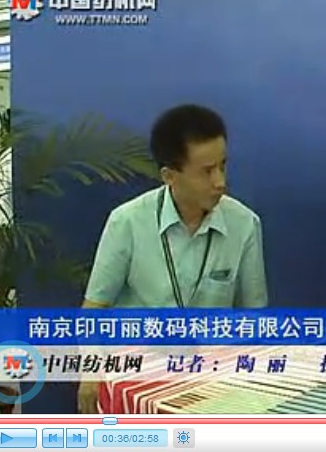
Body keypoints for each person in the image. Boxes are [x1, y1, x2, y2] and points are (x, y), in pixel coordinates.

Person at [78, 104, 268, 413]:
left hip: (211, 378)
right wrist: (90, 371)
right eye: (207, 171)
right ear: (169, 176)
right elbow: (93, 309)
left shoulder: (244, 224)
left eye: (223, 166)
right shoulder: (127, 222)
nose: (220, 181)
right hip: (136, 377)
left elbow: (254, 320)